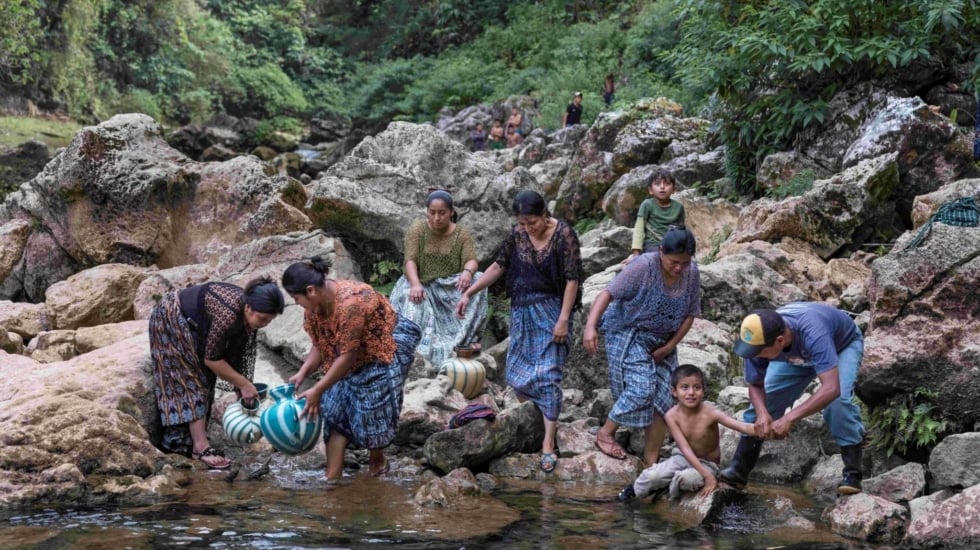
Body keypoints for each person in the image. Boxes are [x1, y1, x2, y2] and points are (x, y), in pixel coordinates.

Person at [455, 190, 582, 474]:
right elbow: (499, 266)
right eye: (522, 223)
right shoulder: (518, 235)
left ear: (544, 214)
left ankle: (548, 443)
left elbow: (573, 279)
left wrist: (563, 319)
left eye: (531, 222)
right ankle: (541, 422)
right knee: (518, 376)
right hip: (522, 312)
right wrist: (470, 293)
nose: (526, 228)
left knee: (549, 375)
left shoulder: (564, 235)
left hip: (552, 312)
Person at [283, 257, 421, 480]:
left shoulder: (351, 304)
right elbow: (320, 344)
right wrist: (303, 373)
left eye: (295, 298)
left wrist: (317, 389)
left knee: (372, 410)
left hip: (383, 347)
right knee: (334, 409)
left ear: (310, 291)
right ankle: (332, 477)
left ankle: (377, 460)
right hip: (350, 353)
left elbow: (347, 357)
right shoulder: (315, 306)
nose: (296, 302)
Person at [583, 226, 701, 466]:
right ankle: (605, 433)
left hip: (663, 339)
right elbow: (607, 294)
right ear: (660, 252)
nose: (679, 268)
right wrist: (590, 327)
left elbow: (690, 313)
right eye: (673, 262)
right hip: (628, 330)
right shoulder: (643, 266)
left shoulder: (691, 272)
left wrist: (669, 348)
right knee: (641, 388)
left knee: (665, 399)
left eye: (684, 263)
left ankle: (650, 461)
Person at [721, 303, 866, 495]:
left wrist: (789, 418)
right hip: (797, 358)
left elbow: (831, 388)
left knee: (838, 404)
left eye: (758, 352)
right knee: (763, 404)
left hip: (841, 345)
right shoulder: (758, 339)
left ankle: (853, 474)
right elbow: (755, 385)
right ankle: (739, 471)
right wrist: (763, 414)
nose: (754, 356)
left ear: (780, 341)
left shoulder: (814, 332)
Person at [149, 276, 284, 469]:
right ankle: (200, 447)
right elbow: (212, 359)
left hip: (194, 325)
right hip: (170, 317)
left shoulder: (246, 316)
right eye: (262, 319)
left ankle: (187, 443)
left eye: (269, 321)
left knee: (206, 378)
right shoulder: (228, 315)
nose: (264, 324)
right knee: (192, 378)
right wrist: (244, 384)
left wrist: (241, 387)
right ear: (248, 308)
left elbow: (236, 353)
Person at [618, 365, 758, 501]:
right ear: (674, 391)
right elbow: (684, 448)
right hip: (681, 458)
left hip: (707, 464)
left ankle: (669, 494)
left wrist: (764, 430)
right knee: (652, 476)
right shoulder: (671, 416)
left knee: (687, 479)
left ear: (703, 391)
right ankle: (631, 492)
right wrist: (707, 477)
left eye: (697, 387)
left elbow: (742, 427)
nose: (691, 392)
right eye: (684, 387)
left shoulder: (711, 414)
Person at [388, 189, 487, 366]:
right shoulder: (418, 229)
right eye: (432, 213)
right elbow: (410, 261)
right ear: (427, 212)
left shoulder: (461, 233)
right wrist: (416, 284)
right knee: (412, 303)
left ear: (451, 212)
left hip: (448, 287)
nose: (436, 218)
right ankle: (418, 355)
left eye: (442, 213)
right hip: (420, 283)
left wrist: (467, 272)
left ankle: (464, 340)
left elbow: (471, 260)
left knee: (479, 279)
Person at [625, 169, 685, 264]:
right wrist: (636, 253)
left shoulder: (678, 207)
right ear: (650, 190)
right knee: (658, 261)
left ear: (674, 189)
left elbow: (681, 229)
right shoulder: (647, 205)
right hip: (653, 244)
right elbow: (639, 228)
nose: (662, 187)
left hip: (672, 244)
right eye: (657, 184)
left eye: (666, 184)